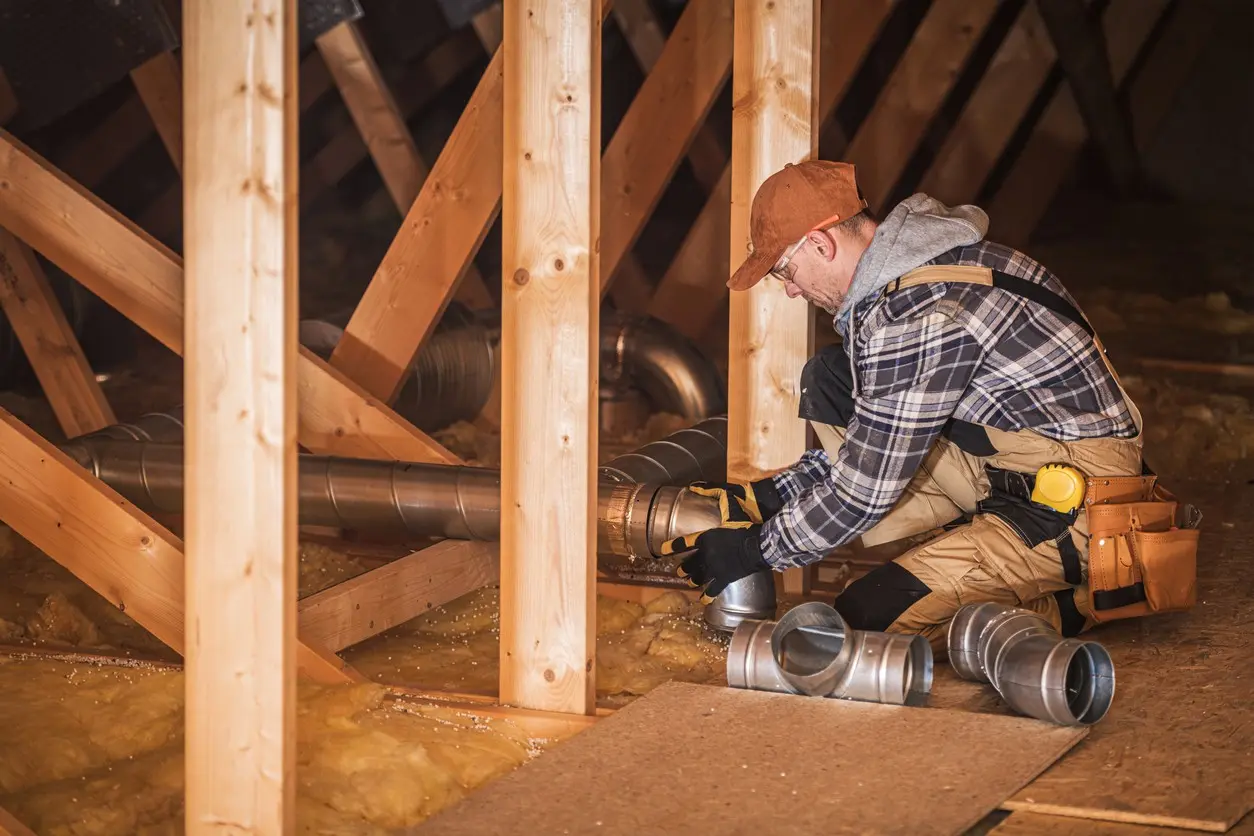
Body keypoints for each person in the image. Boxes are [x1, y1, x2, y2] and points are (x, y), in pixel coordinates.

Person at [659, 159, 1199, 653]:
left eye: (784, 272)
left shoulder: (919, 317)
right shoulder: (934, 264)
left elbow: (862, 492)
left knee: (856, 630)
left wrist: (756, 550)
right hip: (1016, 467)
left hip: (1077, 507)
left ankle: (1084, 597)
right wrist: (768, 497)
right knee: (831, 378)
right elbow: (883, 438)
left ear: (821, 244)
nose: (792, 292)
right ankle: (987, 555)